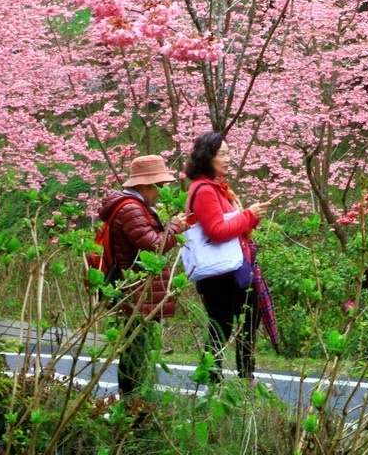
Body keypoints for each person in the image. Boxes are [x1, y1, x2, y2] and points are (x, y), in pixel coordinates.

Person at [185, 132, 273, 383]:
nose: (228, 159)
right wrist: (248, 216)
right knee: (221, 327)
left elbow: (233, 225)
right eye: (222, 154)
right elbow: (216, 231)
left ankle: (246, 375)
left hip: (235, 268)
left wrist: (249, 217)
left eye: (228, 152)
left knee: (249, 318)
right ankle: (213, 380)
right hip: (219, 273)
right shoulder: (204, 190)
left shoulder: (218, 188)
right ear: (207, 157)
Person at [99, 154, 188, 398]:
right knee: (135, 352)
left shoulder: (134, 207)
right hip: (135, 292)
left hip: (137, 290)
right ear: (145, 185)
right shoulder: (131, 209)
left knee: (136, 349)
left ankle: (134, 404)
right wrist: (175, 226)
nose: (161, 191)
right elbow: (153, 245)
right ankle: (132, 405)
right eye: (159, 185)